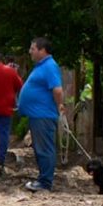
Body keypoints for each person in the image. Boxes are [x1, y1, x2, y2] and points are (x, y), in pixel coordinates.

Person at [18, 37, 64, 192]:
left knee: (44, 149)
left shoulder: (50, 66)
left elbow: (57, 89)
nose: (30, 51)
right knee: (40, 148)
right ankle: (43, 179)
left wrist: (59, 105)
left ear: (42, 50)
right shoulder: (41, 66)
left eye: (33, 48)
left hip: (43, 115)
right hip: (38, 115)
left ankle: (45, 182)